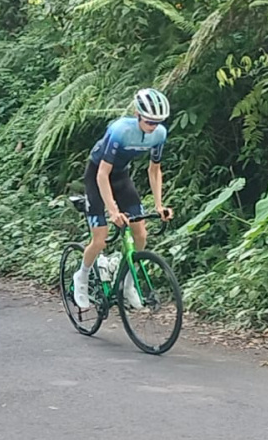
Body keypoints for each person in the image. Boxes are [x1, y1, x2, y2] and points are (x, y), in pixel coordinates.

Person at [73, 88, 174, 309]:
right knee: (100, 239)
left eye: (157, 122)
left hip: (122, 177)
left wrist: (159, 205)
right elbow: (102, 174)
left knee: (140, 233)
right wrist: (112, 211)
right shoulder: (120, 131)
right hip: (97, 175)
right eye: (148, 121)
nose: (152, 127)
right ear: (138, 115)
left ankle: (128, 284)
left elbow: (154, 170)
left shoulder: (159, 134)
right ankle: (81, 277)